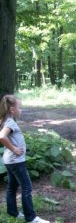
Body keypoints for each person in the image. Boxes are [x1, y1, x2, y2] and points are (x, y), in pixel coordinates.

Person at [0, 95, 50, 223]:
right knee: (26, 188)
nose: (21, 110)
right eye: (19, 107)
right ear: (12, 109)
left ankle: (13, 212)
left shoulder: (5, 120)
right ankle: (31, 218)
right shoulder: (10, 122)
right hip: (16, 161)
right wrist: (14, 149)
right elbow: (1, 137)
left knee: (12, 187)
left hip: (9, 161)